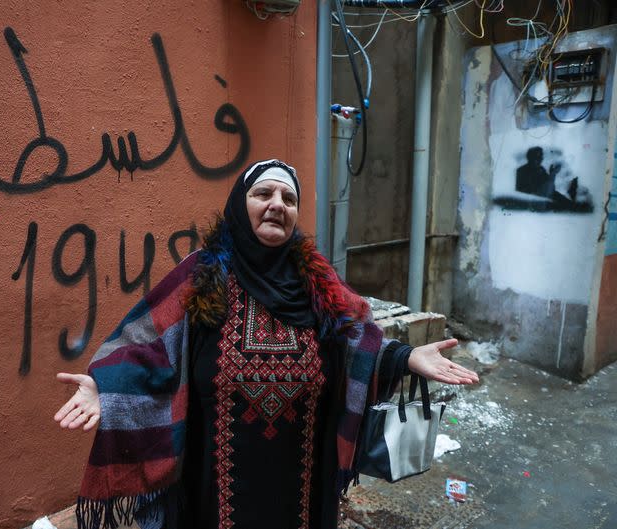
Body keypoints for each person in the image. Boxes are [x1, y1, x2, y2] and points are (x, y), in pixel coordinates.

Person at [54, 159, 479, 529]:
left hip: (302, 477)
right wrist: (105, 385)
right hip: (212, 482)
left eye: (288, 199)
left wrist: (406, 358)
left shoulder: (319, 282)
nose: (278, 204)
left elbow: (358, 342)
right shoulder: (201, 276)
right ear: (241, 205)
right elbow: (146, 343)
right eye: (264, 193)